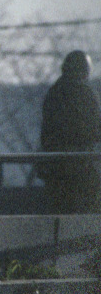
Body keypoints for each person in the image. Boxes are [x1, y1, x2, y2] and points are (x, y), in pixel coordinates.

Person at [38, 50, 101, 214]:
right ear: (83, 70)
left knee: (59, 211)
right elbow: (94, 129)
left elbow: (47, 130)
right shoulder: (86, 94)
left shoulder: (54, 93)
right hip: (80, 162)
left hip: (55, 164)